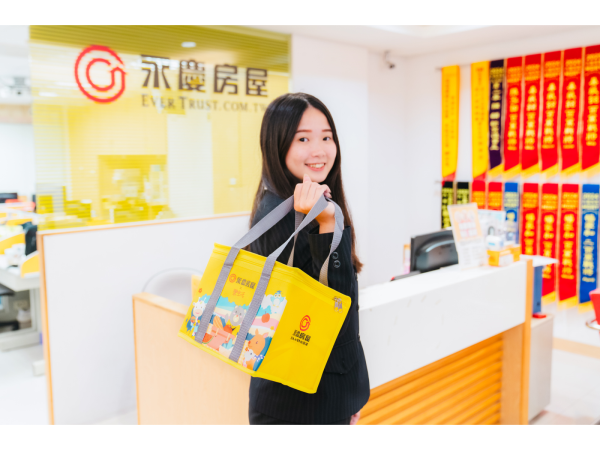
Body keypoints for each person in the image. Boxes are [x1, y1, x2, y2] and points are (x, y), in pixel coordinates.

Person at [247, 92, 370, 425]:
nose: (319, 150)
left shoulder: (308, 203)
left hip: (317, 396)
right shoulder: (281, 214)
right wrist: (327, 224)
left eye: (326, 137)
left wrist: (347, 392)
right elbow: (333, 306)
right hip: (298, 405)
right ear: (277, 145)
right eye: (303, 138)